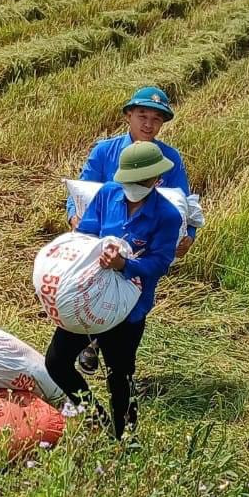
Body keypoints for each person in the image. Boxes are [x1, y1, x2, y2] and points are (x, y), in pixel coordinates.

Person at [44, 141, 182, 441]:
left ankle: (125, 438)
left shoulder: (167, 216)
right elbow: (86, 233)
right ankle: (95, 415)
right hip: (89, 298)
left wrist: (124, 264)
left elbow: (159, 263)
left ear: (155, 180)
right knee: (56, 362)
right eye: (127, 181)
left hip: (128, 310)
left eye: (140, 182)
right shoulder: (108, 194)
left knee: (119, 376)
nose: (131, 187)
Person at [66, 85, 194, 375]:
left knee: (129, 298)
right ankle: (92, 339)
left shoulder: (169, 161)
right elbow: (81, 191)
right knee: (91, 287)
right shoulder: (104, 152)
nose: (148, 125)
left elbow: (183, 204)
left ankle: (107, 354)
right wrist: (75, 218)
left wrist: (188, 236)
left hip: (141, 246)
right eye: (142, 116)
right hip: (100, 235)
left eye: (156, 120)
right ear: (128, 116)